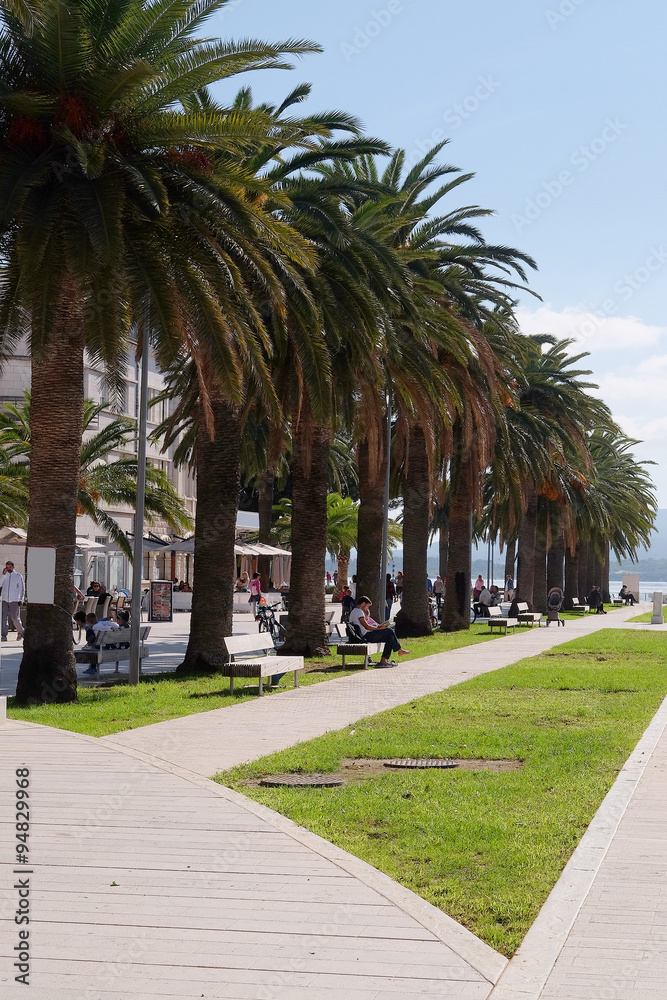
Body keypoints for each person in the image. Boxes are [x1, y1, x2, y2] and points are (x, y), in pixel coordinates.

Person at [349, 596, 411, 668]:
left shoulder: (354, 611)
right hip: (365, 636)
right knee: (389, 631)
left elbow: (366, 626)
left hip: (363, 635)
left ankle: (384, 660)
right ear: (363, 604)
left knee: (390, 637)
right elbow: (367, 627)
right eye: (367, 607)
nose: (367, 609)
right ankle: (399, 651)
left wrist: (379, 628)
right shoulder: (359, 612)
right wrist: (378, 628)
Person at [1, 560, 25, 642]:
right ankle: (4, 635)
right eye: (7, 567)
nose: (8, 569)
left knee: (15, 618)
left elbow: (22, 589)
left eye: (10, 567)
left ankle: (21, 632)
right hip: (4, 600)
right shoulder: (4, 576)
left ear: (13, 567)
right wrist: (3, 575)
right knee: (3, 618)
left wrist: (21, 599)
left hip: (14, 600)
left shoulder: (18, 576)